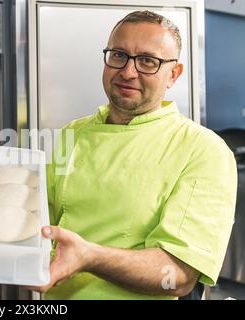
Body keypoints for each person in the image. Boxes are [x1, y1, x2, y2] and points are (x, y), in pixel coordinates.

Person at [29, 10, 238, 300]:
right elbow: (36, 225)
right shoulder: (72, 134)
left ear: (173, 75)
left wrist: (89, 257)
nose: (128, 72)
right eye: (119, 55)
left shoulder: (203, 150)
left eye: (148, 62)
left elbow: (176, 277)